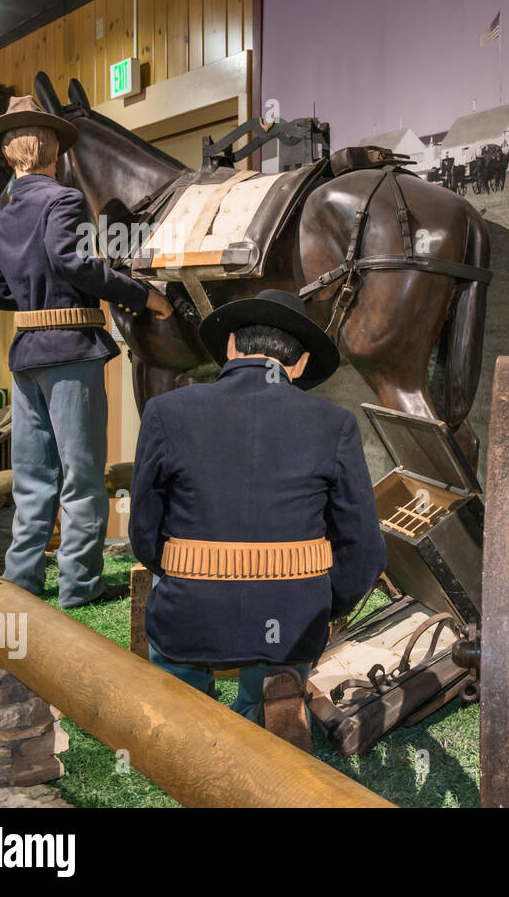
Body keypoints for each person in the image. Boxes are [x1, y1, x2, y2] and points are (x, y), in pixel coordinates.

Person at [128, 288, 385, 732]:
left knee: (180, 715)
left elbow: (144, 530)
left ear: (230, 348)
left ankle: (189, 723)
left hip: (190, 612)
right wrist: (322, 603)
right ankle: (268, 708)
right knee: (274, 691)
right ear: (301, 364)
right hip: (291, 620)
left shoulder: (164, 412)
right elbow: (363, 549)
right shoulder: (334, 423)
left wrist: (181, 572)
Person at [0, 95, 172, 609]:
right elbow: (74, 263)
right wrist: (142, 295)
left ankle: (21, 583)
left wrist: (31, 292)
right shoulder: (63, 201)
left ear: (10, 154)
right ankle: (80, 586)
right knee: (82, 477)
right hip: (72, 352)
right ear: (54, 150)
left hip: (26, 357)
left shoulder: (3, 214)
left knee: (35, 477)